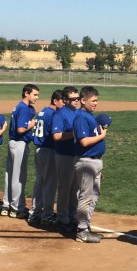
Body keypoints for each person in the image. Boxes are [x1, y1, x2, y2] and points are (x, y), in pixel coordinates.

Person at [72, 86, 108, 243]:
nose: (95, 104)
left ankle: (86, 226)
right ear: (82, 100)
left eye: (96, 101)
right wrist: (102, 136)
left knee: (93, 196)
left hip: (94, 162)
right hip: (86, 162)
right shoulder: (81, 117)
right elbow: (84, 141)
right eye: (93, 101)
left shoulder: (89, 116)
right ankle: (81, 231)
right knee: (86, 197)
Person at [2, 84, 39, 218]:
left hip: (13, 143)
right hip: (19, 144)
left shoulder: (19, 106)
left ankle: (7, 205)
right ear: (26, 93)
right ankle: (16, 208)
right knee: (18, 177)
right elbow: (21, 129)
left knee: (10, 175)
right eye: (34, 94)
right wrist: (33, 123)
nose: (37, 97)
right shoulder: (24, 108)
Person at [29, 90, 64, 227]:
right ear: (55, 101)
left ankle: (35, 212)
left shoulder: (42, 112)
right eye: (63, 101)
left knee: (40, 181)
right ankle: (47, 214)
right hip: (48, 150)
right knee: (50, 183)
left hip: (39, 149)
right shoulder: (52, 114)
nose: (65, 103)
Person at [53, 86, 82, 231]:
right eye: (72, 99)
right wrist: (74, 134)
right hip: (64, 155)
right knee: (64, 188)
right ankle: (62, 218)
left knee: (75, 188)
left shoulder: (79, 113)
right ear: (64, 100)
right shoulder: (60, 114)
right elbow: (57, 136)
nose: (76, 101)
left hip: (76, 155)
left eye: (77, 98)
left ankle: (73, 215)